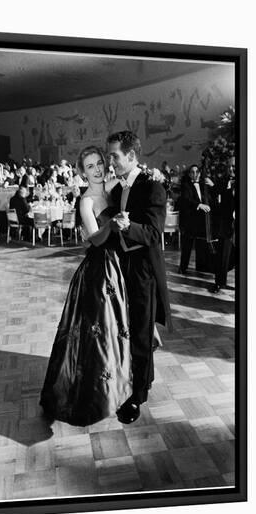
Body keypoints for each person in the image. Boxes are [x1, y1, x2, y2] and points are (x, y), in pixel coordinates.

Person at [40, 146, 132, 426]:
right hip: (99, 269)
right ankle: (94, 394)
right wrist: (112, 225)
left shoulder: (115, 186)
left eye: (100, 163)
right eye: (90, 166)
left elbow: (133, 178)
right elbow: (94, 238)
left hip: (119, 265)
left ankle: (120, 387)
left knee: (118, 329)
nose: (97, 169)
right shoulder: (86, 201)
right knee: (97, 333)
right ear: (82, 171)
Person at [107, 130, 171, 424]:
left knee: (142, 333)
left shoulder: (153, 188)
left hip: (144, 269)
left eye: (115, 156)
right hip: (121, 268)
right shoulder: (116, 190)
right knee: (127, 327)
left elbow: (154, 234)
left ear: (131, 156)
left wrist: (127, 226)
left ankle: (138, 396)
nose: (111, 162)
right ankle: (138, 376)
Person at [178, 164, 214, 274]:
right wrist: (199, 205)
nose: (195, 174)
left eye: (197, 172)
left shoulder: (204, 185)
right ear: (189, 174)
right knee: (187, 246)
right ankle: (183, 268)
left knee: (201, 245)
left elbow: (211, 198)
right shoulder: (186, 185)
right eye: (192, 172)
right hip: (189, 221)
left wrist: (212, 185)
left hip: (201, 221)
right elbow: (186, 199)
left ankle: (201, 267)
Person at [210, 156, 236, 293]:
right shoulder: (223, 181)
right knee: (222, 255)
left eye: (234, 166)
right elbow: (214, 194)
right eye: (229, 166)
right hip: (226, 224)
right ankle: (219, 283)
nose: (231, 169)